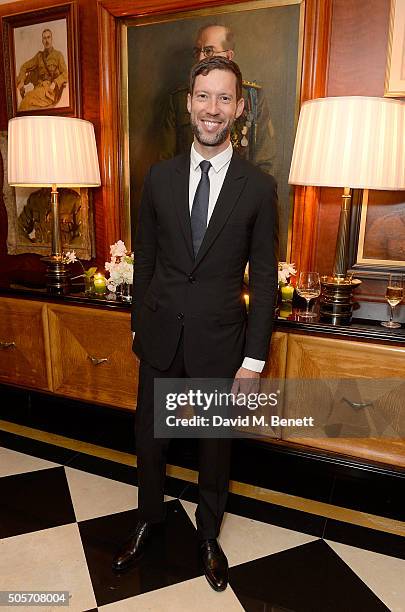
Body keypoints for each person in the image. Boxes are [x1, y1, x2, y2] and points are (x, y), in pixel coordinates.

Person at [113, 57, 278, 592]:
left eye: (224, 98)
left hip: (220, 345)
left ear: (239, 107)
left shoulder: (257, 187)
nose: (212, 109)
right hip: (161, 338)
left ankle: (208, 535)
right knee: (151, 441)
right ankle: (148, 520)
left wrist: (253, 361)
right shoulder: (158, 177)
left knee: (213, 448)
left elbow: (267, 281)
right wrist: (140, 327)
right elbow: (147, 259)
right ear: (189, 102)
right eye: (204, 96)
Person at [159, 24, 276, 174]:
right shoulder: (178, 99)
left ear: (229, 56)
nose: (201, 57)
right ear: (189, 102)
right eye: (198, 51)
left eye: (208, 51)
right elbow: (166, 161)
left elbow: (265, 161)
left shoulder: (252, 96)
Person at [16, 28, 68, 112]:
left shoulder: (58, 55)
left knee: (27, 99)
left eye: (48, 37)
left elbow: (65, 74)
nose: (46, 40)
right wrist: (21, 81)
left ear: (51, 39)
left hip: (50, 92)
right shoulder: (39, 56)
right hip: (39, 89)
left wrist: (55, 82)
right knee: (26, 101)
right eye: (44, 38)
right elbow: (24, 67)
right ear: (42, 41)